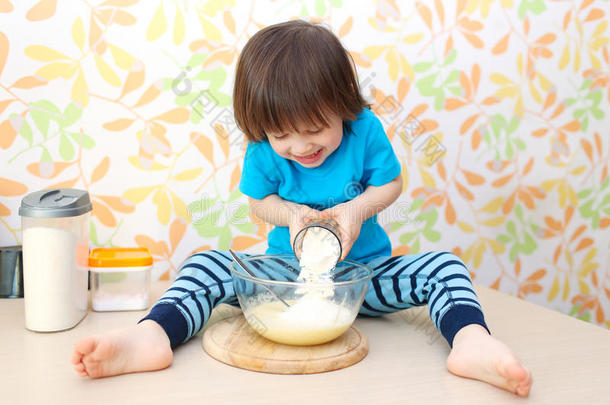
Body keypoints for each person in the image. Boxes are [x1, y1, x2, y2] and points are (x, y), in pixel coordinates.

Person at [71, 20, 532, 397]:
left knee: (445, 266)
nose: (299, 146)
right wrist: (291, 217)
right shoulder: (263, 147)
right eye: (281, 136)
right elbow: (259, 203)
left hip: (363, 279)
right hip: (284, 280)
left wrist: (357, 210)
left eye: (314, 128)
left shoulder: (364, 130)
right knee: (206, 264)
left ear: (344, 104)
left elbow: (390, 184)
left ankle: (472, 341)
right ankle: (152, 336)